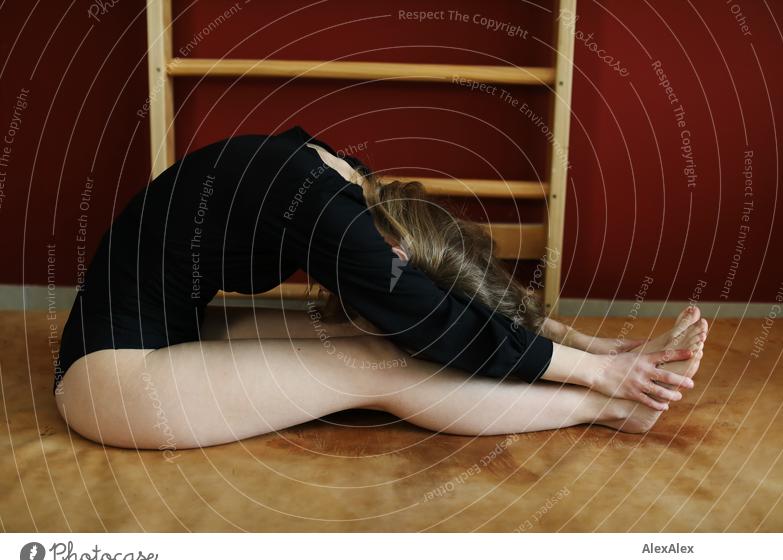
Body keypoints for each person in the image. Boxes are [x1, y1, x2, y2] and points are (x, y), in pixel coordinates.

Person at [54, 125, 708, 450]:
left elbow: (461, 300)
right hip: (109, 382)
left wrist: (595, 346)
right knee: (382, 361)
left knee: (365, 332)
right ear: (397, 250)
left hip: (166, 331)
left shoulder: (344, 178)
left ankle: (611, 385)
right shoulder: (343, 225)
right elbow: (448, 328)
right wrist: (603, 380)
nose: (399, 285)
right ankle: (617, 411)